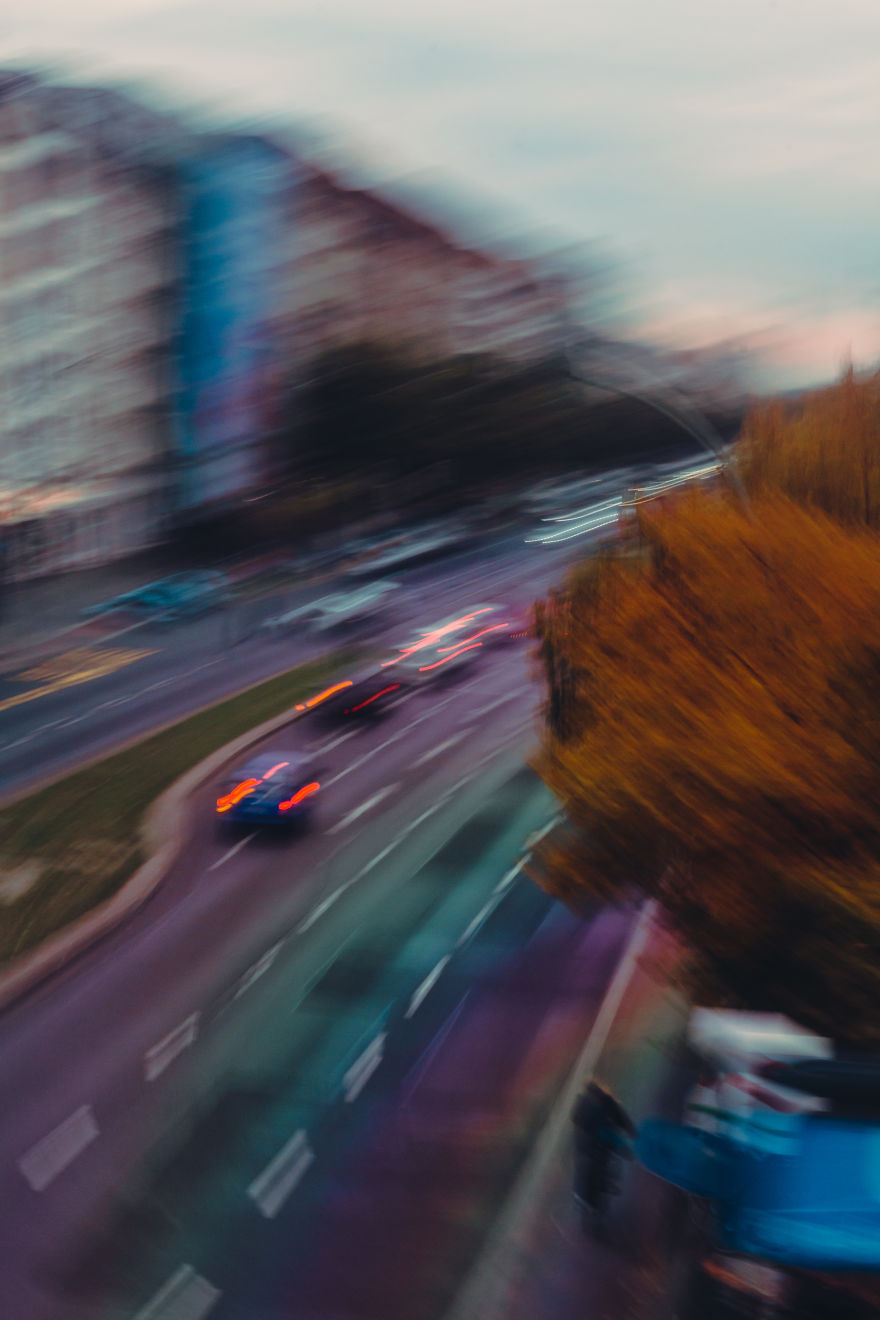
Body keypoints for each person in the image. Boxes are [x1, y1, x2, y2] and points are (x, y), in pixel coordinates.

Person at [572, 1081, 638, 1228]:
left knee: (587, 1167)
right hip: (599, 1144)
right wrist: (632, 1135)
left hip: (592, 1145)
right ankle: (599, 1190)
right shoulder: (606, 1102)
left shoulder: (587, 1103)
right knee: (607, 1161)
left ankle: (585, 1198)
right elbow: (624, 1121)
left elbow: (622, 1121)